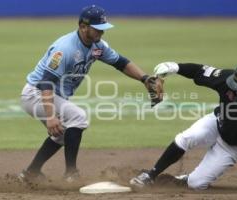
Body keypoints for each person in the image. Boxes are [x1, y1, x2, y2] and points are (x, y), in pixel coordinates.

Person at [18, 5, 153, 183]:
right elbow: (46, 82)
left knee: (61, 134)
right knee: (78, 117)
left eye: (103, 29)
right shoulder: (65, 48)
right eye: (97, 29)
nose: (101, 33)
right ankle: (71, 174)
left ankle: (31, 172)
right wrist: (50, 116)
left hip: (50, 95)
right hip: (36, 94)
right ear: (83, 26)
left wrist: (145, 79)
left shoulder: (98, 46)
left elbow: (121, 62)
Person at [130, 61, 237, 190]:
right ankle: (150, 175)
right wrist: (176, 67)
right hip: (216, 122)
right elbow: (200, 71)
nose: (232, 88)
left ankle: (185, 179)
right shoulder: (227, 79)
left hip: (233, 145)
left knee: (196, 184)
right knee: (188, 137)